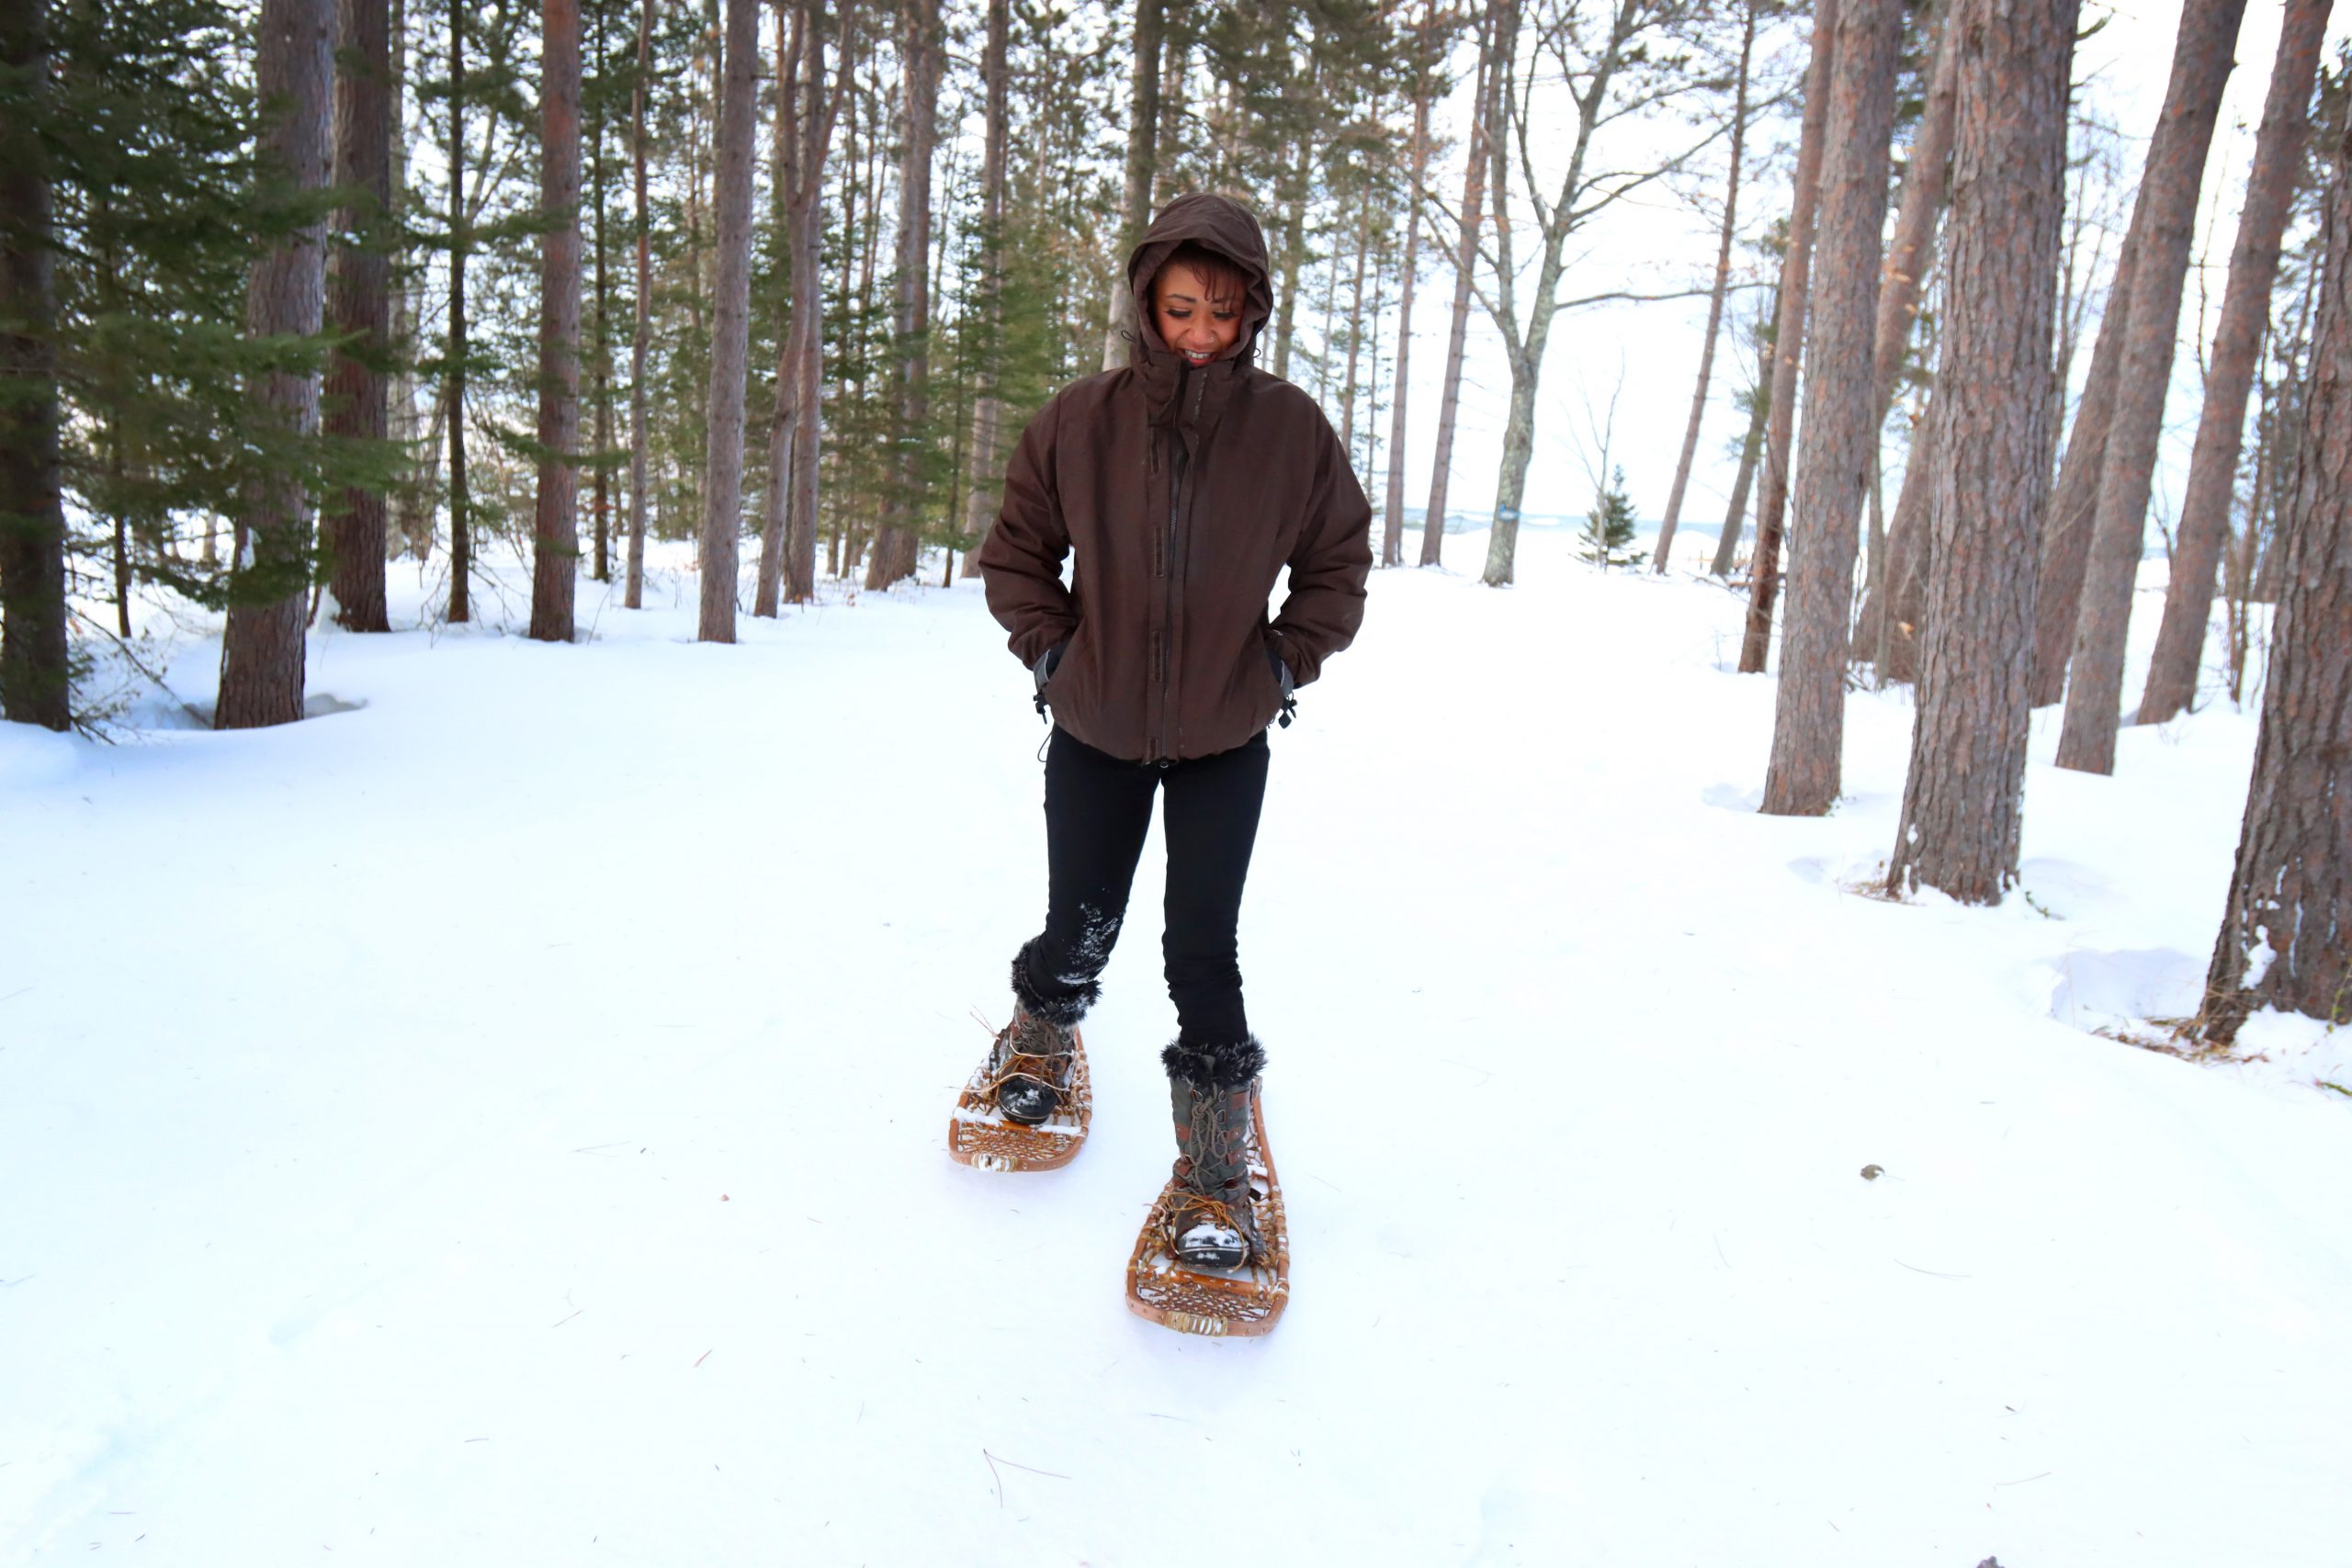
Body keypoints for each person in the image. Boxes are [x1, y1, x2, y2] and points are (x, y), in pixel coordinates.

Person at [964, 191, 1372, 1275]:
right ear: (1147, 302)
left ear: (1252, 313)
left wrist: (1280, 662)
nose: (1200, 334)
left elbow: (1336, 565)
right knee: (1082, 921)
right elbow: (1015, 555)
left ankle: (1213, 1169)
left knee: (1202, 951)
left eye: (1223, 312)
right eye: (1181, 307)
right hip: (1095, 726)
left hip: (1222, 741)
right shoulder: (1079, 420)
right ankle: (1043, 1036)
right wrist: (1057, 657)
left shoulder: (1291, 433)